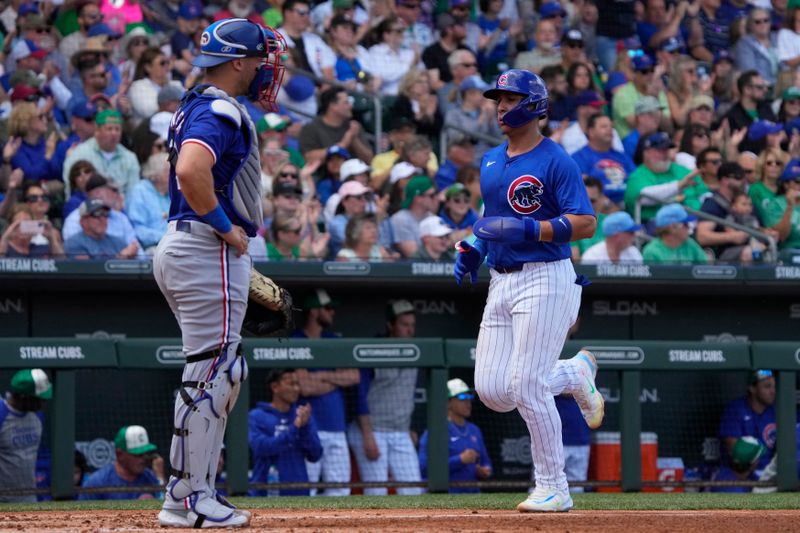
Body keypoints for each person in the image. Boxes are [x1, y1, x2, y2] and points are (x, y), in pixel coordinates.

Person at [152, 18, 286, 528]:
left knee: (216, 371)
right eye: (257, 59)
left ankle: (191, 493)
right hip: (204, 246)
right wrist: (225, 227)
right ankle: (187, 498)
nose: (263, 68)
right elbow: (190, 170)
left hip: (187, 247)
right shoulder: (220, 107)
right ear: (236, 62)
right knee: (215, 373)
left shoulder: (199, 103)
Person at [453, 69, 604, 512]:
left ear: (534, 104)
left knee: (527, 383)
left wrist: (530, 228)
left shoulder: (556, 159)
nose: (501, 105)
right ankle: (574, 375)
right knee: (494, 391)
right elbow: (491, 217)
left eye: (510, 98)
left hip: (546, 275)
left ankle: (554, 486)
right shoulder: (492, 160)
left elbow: (585, 221)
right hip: (501, 280)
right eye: (498, 99)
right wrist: (475, 247)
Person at [348, 299, 424, 496]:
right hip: (373, 430)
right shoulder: (372, 351)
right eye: (404, 325)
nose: (410, 330)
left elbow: (404, 396)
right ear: (390, 325)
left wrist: (408, 428)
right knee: (377, 492)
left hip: (400, 432)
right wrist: (367, 435)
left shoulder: (416, 351)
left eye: (412, 326)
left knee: (414, 492)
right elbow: (359, 397)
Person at [293, 289, 360, 496]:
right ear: (314, 312)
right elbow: (305, 386)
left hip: (336, 426)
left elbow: (354, 376)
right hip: (310, 427)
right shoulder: (297, 340)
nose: (332, 313)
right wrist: (335, 377)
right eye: (328, 308)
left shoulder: (334, 340)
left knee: (340, 492)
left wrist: (321, 376)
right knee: (308, 489)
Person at [248, 369, 323, 497]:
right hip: (265, 493)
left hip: (299, 492)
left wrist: (304, 427)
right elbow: (261, 447)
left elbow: (315, 454)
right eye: (291, 384)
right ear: (275, 387)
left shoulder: (303, 415)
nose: (296, 389)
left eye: (297, 384)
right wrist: (295, 428)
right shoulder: (257, 416)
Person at [418, 378, 492, 493]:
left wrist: (484, 470)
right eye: (462, 397)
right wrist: (460, 460)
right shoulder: (435, 431)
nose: (468, 402)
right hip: (444, 496)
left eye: (469, 397)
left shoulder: (474, 430)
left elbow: (486, 462)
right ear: (448, 403)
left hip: (473, 496)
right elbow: (424, 468)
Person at [0, 369, 52, 503]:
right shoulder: (2, 415)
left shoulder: (37, 415)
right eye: (39, 399)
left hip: (29, 497)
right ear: (24, 398)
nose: (43, 404)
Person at [62, 110, 141, 197]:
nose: (114, 133)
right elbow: (70, 189)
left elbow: (133, 194)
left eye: (117, 129)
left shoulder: (130, 158)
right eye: (109, 129)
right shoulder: (79, 154)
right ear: (97, 131)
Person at [623, 132, 694, 224]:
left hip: (688, 221)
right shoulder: (636, 176)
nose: (664, 154)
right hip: (653, 226)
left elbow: (702, 193)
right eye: (659, 150)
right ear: (646, 152)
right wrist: (678, 186)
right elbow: (645, 197)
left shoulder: (681, 170)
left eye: (666, 150)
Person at [718, 370, 777, 480]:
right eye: (767, 387)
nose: (773, 391)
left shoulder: (776, 412)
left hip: (769, 472)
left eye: (774, 387)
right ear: (752, 388)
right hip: (739, 471)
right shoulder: (736, 409)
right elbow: (735, 450)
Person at [79, 425, 163, 500]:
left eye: (146, 453)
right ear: (120, 454)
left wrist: (160, 477)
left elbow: (166, 508)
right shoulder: (97, 482)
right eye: (138, 454)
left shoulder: (151, 477)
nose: (143, 459)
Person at [695, 162, 757, 262]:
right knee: (750, 253)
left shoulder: (747, 202)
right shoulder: (712, 204)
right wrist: (731, 237)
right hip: (723, 254)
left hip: (752, 245)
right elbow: (702, 236)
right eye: (738, 177)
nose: (743, 181)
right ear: (725, 180)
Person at [297, 87, 374, 166]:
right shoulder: (311, 128)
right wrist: (344, 143)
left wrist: (354, 139)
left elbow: (369, 160)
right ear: (333, 106)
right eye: (346, 102)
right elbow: (309, 158)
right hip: (322, 176)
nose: (350, 106)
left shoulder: (353, 127)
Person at [571, 114, 635, 206]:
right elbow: (581, 190)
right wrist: (606, 203)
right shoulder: (579, 158)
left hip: (630, 205)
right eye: (604, 126)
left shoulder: (622, 156)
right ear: (591, 132)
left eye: (611, 126)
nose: (610, 129)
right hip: (599, 211)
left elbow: (634, 179)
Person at [63, 198, 139, 260]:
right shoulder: (74, 244)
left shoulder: (118, 242)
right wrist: (121, 258)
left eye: (105, 214)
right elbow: (86, 272)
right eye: (97, 214)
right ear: (83, 222)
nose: (102, 219)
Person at [642, 203, 709, 263]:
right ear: (672, 228)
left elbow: (705, 270)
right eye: (685, 224)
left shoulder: (690, 244)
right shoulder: (652, 251)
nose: (689, 227)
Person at [390, 175, 438, 258]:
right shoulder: (401, 220)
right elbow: (414, 255)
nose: (437, 199)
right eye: (432, 195)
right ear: (418, 198)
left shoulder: (431, 217)